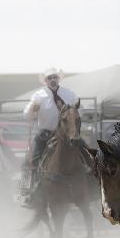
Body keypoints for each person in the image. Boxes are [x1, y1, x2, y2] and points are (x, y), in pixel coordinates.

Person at [20, 67, 79, 206]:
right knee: (29, 162)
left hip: (67, 134)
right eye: (49, 78)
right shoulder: (38, 95)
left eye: (54, 77)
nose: (52, 80)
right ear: (45, 81)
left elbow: (78, 109)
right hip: (45, 133)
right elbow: (26, 114)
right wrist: (31, 109)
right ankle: (27, 193)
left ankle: (92, 187)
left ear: (59, 79)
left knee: (87, 154)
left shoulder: (69, 94)